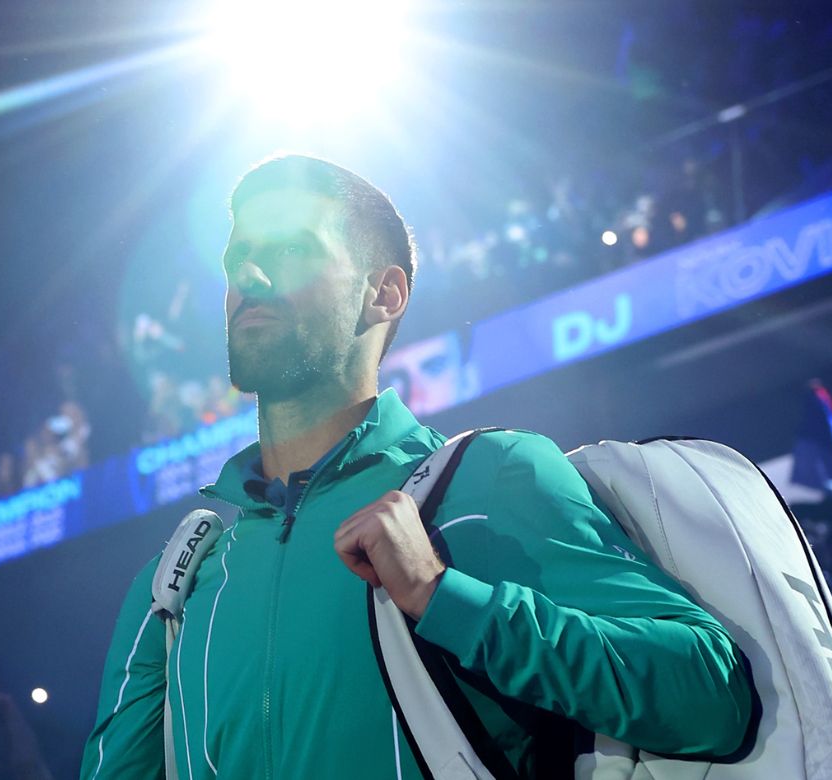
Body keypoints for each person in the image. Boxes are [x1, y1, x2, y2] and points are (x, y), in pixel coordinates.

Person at [81, 155, 753, 779]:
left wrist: (443, 598)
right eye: (238, 259)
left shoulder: (492, 476)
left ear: (385, 293)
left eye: (289, 251)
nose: (249, 279)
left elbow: (711, 697)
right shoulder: (179, 584)